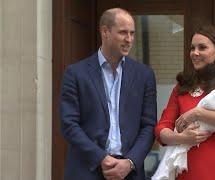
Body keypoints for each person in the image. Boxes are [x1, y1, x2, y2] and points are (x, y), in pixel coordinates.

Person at [60, 8, 157, 180]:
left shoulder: (144, 75)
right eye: (123, 33)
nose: (129, 39)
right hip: (86, 171)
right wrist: (101, 158)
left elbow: (149, 126)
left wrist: (130, 162)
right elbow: (69, 124)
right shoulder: (75, 73)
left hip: (130, 173)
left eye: (132, 33)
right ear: (105, 32)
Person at [154, 25, 215, 180]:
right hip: (187, 175)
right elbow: (161, 129)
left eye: (202, 47)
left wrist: (198, 113)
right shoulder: (182, 88)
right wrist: (182, 138)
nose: (195, 53)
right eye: (192, 48)